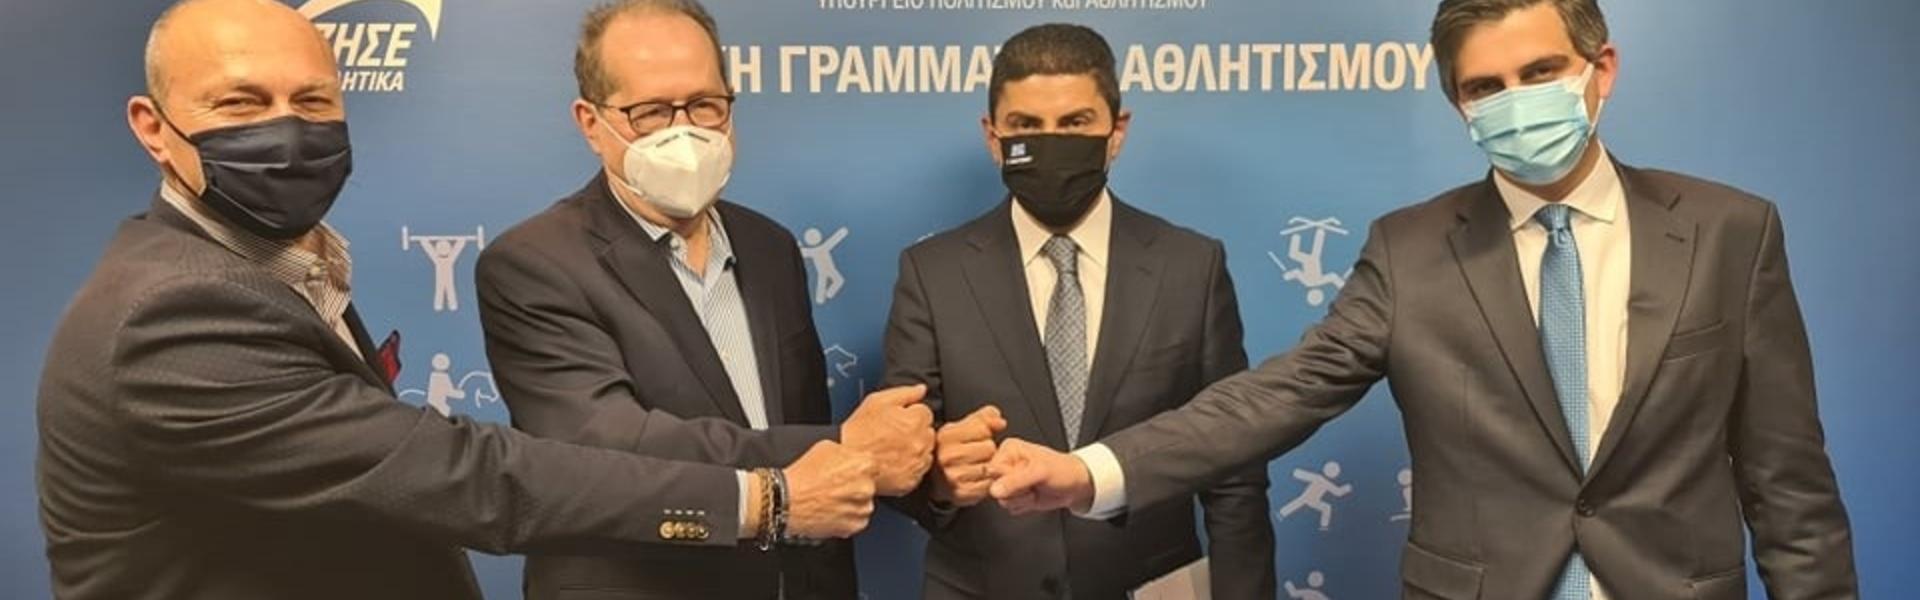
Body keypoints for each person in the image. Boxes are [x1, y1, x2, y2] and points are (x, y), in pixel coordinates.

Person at [986, 2, 1859, 599]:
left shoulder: (1728, 231)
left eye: (1541, 71)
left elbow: (1788, 482)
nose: (1515, 102)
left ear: (1601, 69)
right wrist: (1090, 470)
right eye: (1485, 87)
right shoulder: (1410, 251)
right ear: (1458, 104)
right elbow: (1280, 394)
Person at [35, 1, 878, 598]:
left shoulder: (285, 268)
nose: (288, 131)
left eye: (313, 100)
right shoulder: (175, 310)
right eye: (241, 103)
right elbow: (471, 477)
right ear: (153, 127)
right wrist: (769, 497)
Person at [474, 1, 934, 598]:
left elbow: (794, 424)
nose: (684, 131)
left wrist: (927, 458)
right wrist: (844, 443)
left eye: (704, 104)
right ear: (591, 123)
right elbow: (611, 447)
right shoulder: (533, 263)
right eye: (651, 112)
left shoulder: (769, 247)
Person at [880, 23, 1274, 600]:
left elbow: (1233, 463)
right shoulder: (932, 272)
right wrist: (939, 477)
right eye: (1025, 126)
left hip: (1151, 584)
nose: (1051, 144)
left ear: (1117, 130)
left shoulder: (1191, 266)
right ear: (992, 136)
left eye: (1074, 123)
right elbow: (896, 457)